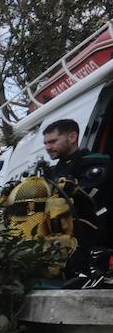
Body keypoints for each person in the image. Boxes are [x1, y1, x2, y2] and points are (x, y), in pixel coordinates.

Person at [40, 118, 113, 279]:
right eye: (45, 143)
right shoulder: (51, 172)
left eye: (52, 141)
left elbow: (92, 197)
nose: (48, 147)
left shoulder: (95, 162)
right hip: (59, 247)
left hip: (94, 245)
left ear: (72, 137)